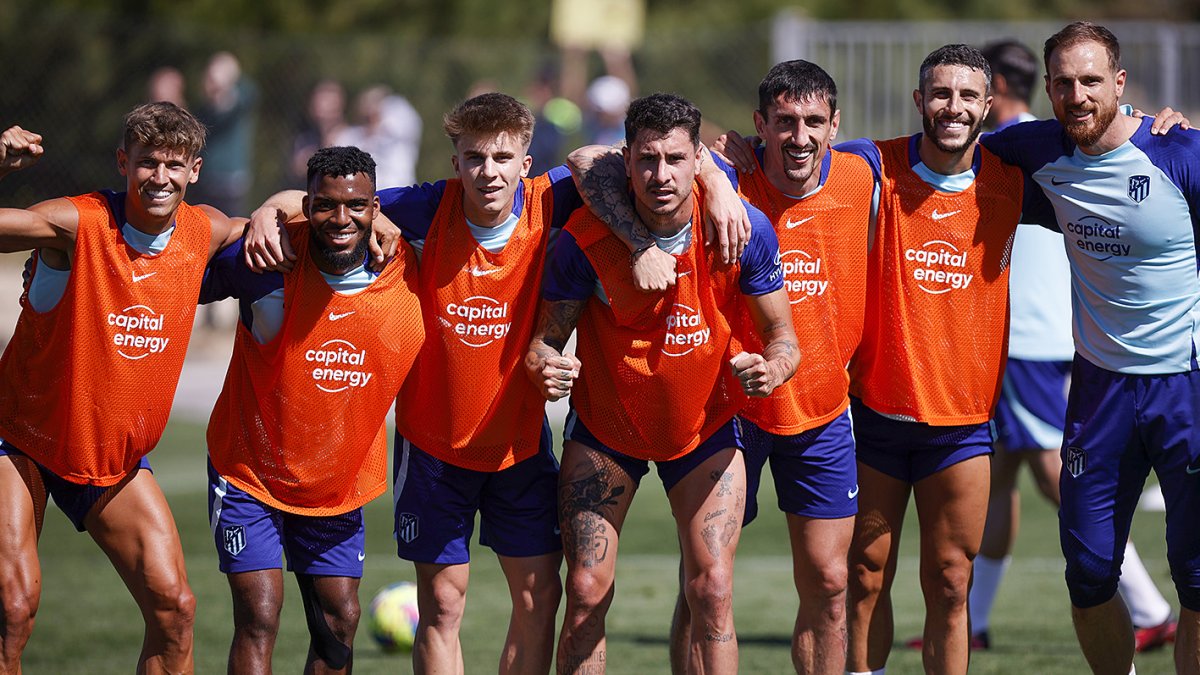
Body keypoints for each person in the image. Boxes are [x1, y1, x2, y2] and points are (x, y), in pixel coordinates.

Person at [528, 92, 799, 674]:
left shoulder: (740, 227)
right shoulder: (584, 239)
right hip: (607, 429)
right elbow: (544, 343)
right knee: (584, 595)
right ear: (626, 160)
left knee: (713, 593)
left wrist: (770, 368)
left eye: (675, 159)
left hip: (705, 428)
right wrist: (547, 365)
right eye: (647, 159)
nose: (660, 174)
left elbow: (784, 339)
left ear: (697, 158)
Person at [982, 21, 1200, 674]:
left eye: (1091, 82)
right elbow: (932, 156)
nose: (1076, 95)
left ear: (1121, 85)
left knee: (1197, 581)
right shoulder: (1033, 149)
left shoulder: (1180, 154)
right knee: (1088, 576)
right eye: (1063, 83)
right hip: (1100, 392)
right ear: (1046, 88)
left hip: (1186, 388)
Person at [0, 103, 245, 673]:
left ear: (196, 171)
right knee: (12, 609)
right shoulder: (76, 224)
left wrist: (367, 221)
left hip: (109, 457)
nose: (160, 178)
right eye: (147, 163)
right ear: (122, 163)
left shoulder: (204, 230)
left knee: (175, 610)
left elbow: (273, 219)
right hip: (19, 439)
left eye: (174, 165)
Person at [661, 60, 873, 675]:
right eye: (784, 122)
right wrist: (714, 175)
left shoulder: (867, 173)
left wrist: (1139, 124)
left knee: (831, 585)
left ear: (837, 124)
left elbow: (962, 143)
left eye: (813, 122)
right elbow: (603, 156)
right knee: (703, 587)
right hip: (727, 414)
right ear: (760, 124)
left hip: (821, 412)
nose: (799, 137)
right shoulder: (722, 174)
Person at [832, 45, 1027, 675]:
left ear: (988, 105)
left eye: (968, 96)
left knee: (949, 583)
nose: (953, 107)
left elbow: (1096, 149)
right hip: (876, 417)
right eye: (940, 94)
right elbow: (794, 161)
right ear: (919, 100)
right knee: (864, 577)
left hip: (962, 425)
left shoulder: (1012, 178)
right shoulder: (874, 166)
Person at [200, 146, 424, 674]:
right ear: (307, 205)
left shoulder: (408, 270)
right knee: (259, 613)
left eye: (356, 206)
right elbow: (178, 270)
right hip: (248, 470)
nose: (340, 219)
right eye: (325, 206)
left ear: (376, 208)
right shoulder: (264, 263)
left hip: (337, 483)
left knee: (340, 619)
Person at [334, 85, 422, 189]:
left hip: (401, 191)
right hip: (370, 195)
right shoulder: (353, 136)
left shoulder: (398, 126)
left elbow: (406, 119)